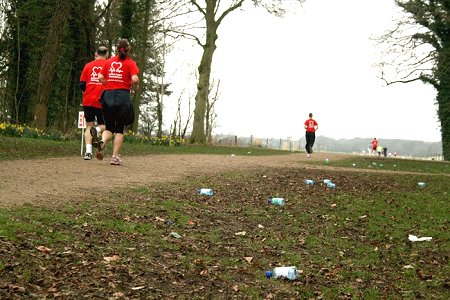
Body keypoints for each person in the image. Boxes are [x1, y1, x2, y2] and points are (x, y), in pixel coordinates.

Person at [96, 39, 139, 165]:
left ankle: (102, 142)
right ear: (128, 50)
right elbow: (135, 78)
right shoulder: (131, 63)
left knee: (109, 127)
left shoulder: (109, 62)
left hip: (108, 96)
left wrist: (106, 83)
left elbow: (100, 77)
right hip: (122, 97)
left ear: (116, 49)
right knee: (119, 129)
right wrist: (135, 87)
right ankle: (114, 157)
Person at [80, 46, 108, 160]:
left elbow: (82, 84)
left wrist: (85, 92)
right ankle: (97, 133)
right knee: (107, 126)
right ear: (107, 55)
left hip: (88, 100)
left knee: (88, 126)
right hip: (102, 100)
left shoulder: (88, 66)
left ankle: (88, 152)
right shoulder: (108, 65)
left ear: (96, 54)